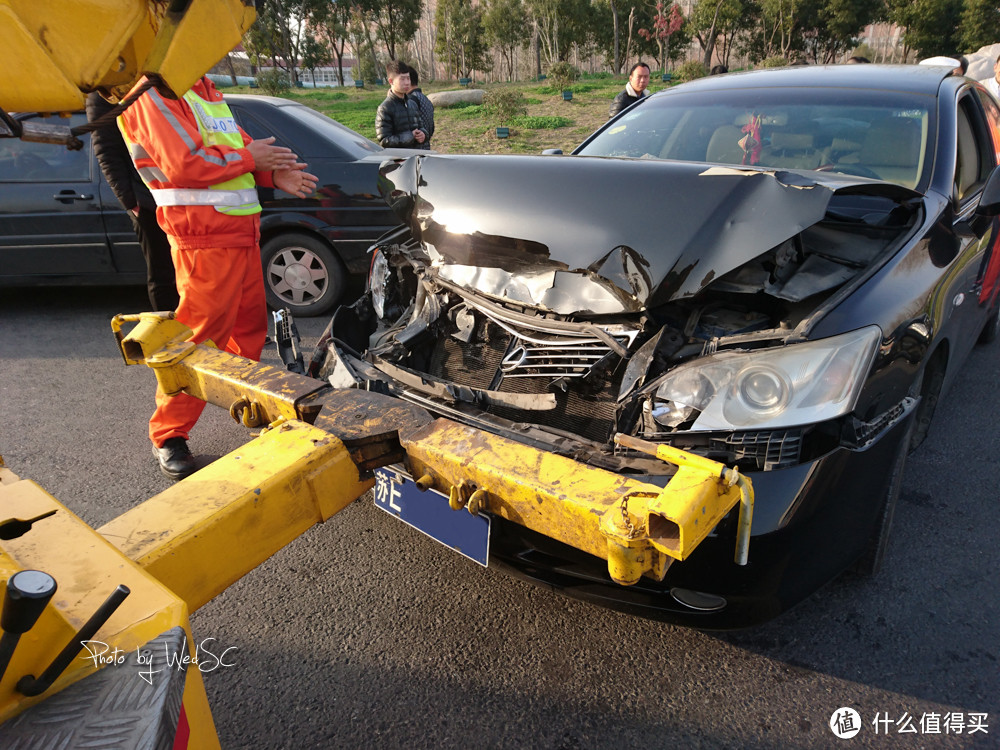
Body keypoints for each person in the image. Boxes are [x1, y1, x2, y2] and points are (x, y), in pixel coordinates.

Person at [117, 74, 318, 480]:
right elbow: (184, 163)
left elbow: (237, 148)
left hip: (239, 232)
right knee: (196, 339)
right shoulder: (155, 91)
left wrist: (272, 175)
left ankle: (246, 408)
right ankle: (168, 433)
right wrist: (252, 163)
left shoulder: (201, 89)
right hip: (201, 237)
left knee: (247, 333)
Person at [86, 92, 178, 311]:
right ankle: (174, 337)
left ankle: (199, 332)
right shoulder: (101, 94)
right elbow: (105, 151)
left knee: (191, 271)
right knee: (163, 273)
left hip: (181, 192)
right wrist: (131, 203)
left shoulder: (152, 81)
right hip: (147, 200)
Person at [375, 61, 428, 149]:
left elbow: (421, 127)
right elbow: (384, 140)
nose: (407, 82)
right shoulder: (385, 108)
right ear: (391, 81)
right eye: (402, 79)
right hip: (398, 159)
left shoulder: (412, 104)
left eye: (408, 78)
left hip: (416, 157)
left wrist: (423, 134)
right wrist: (410, 136)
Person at [406, 64, 434, 150]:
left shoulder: (411, 100)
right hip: (426, 147)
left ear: (408, 81)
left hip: (416, 150)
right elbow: (431, 127)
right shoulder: (426, 99)